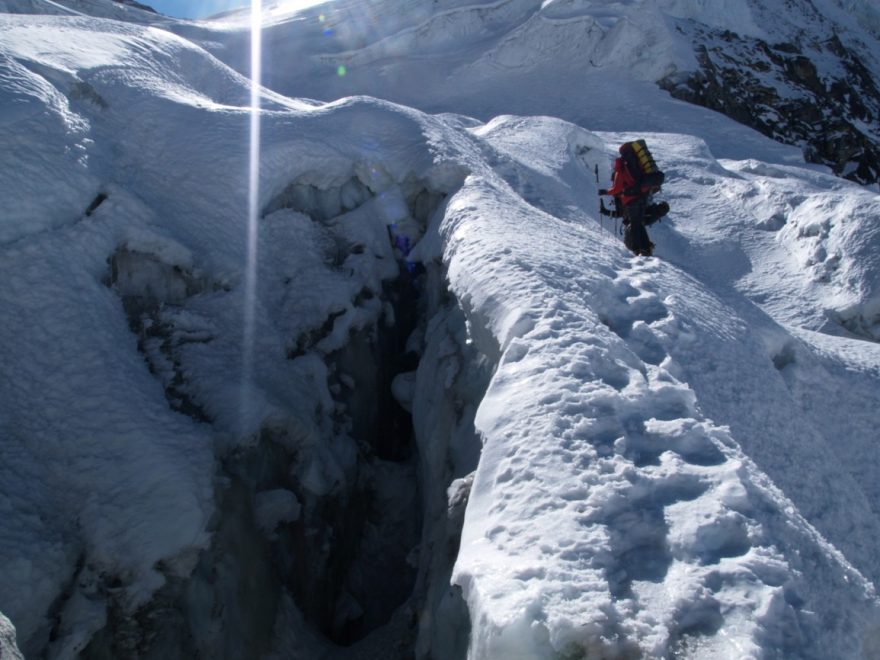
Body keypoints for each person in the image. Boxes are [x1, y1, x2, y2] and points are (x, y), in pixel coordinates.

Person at [599, 152, 657, 257]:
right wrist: (606, 211)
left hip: (632, 204)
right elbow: (621, 213)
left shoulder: (620, 173)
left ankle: (638, 251)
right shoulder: (631, 173)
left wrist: (606, 192)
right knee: (638, 225)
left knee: (634, 227)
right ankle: (646, 249)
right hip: (641, 201)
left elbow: (621, 212)